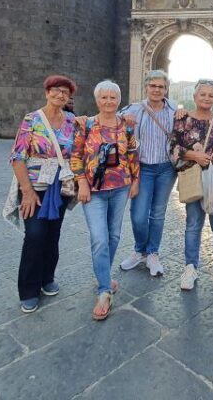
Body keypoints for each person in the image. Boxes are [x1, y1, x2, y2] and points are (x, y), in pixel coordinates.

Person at [8, 75, 78, 314]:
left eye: (65, 93)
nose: (60, 95)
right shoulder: (32, 120)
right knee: (35, 235)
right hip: (35, 188)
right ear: (47, 92)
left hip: (60, 188)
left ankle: (47, 277)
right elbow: (17, 157)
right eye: (56, 90)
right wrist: (26, 191)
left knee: (52, 233)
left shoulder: (71, 121)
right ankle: (28, 289)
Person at [71, 80, 139, 321]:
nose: (108, 101)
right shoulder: (86, 124)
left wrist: (135, 181)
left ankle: (103, 275)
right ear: (97, 100)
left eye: (113, 98)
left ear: (119, 101)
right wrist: (81, 183)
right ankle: (104, 291)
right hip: (93, 191)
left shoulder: (127, 125)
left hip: (120, 187)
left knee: (114, 236)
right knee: (99, 239)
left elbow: (132, 153)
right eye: (104, 98)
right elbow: (76, 155)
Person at [170, 79, 213, 292]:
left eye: (210, 95)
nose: (206, 98)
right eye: (203, 94)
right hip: (194, 180)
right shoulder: (183, 119)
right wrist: (194, 155)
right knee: (193, 225)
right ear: (194, 96)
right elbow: (172, 148)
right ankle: (190, 268)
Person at [118, 70, 177, 277]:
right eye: (153, 86)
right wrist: (123, 118)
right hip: (142, 168)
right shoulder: (134, 109)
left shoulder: (174, 112)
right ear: (146, 87)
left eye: (161, 86)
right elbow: (110, 120)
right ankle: (139, 250)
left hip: (166, 169)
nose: (157, 90)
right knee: (138, 214)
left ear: (166, 89)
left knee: (158, 213)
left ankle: (152, 253)